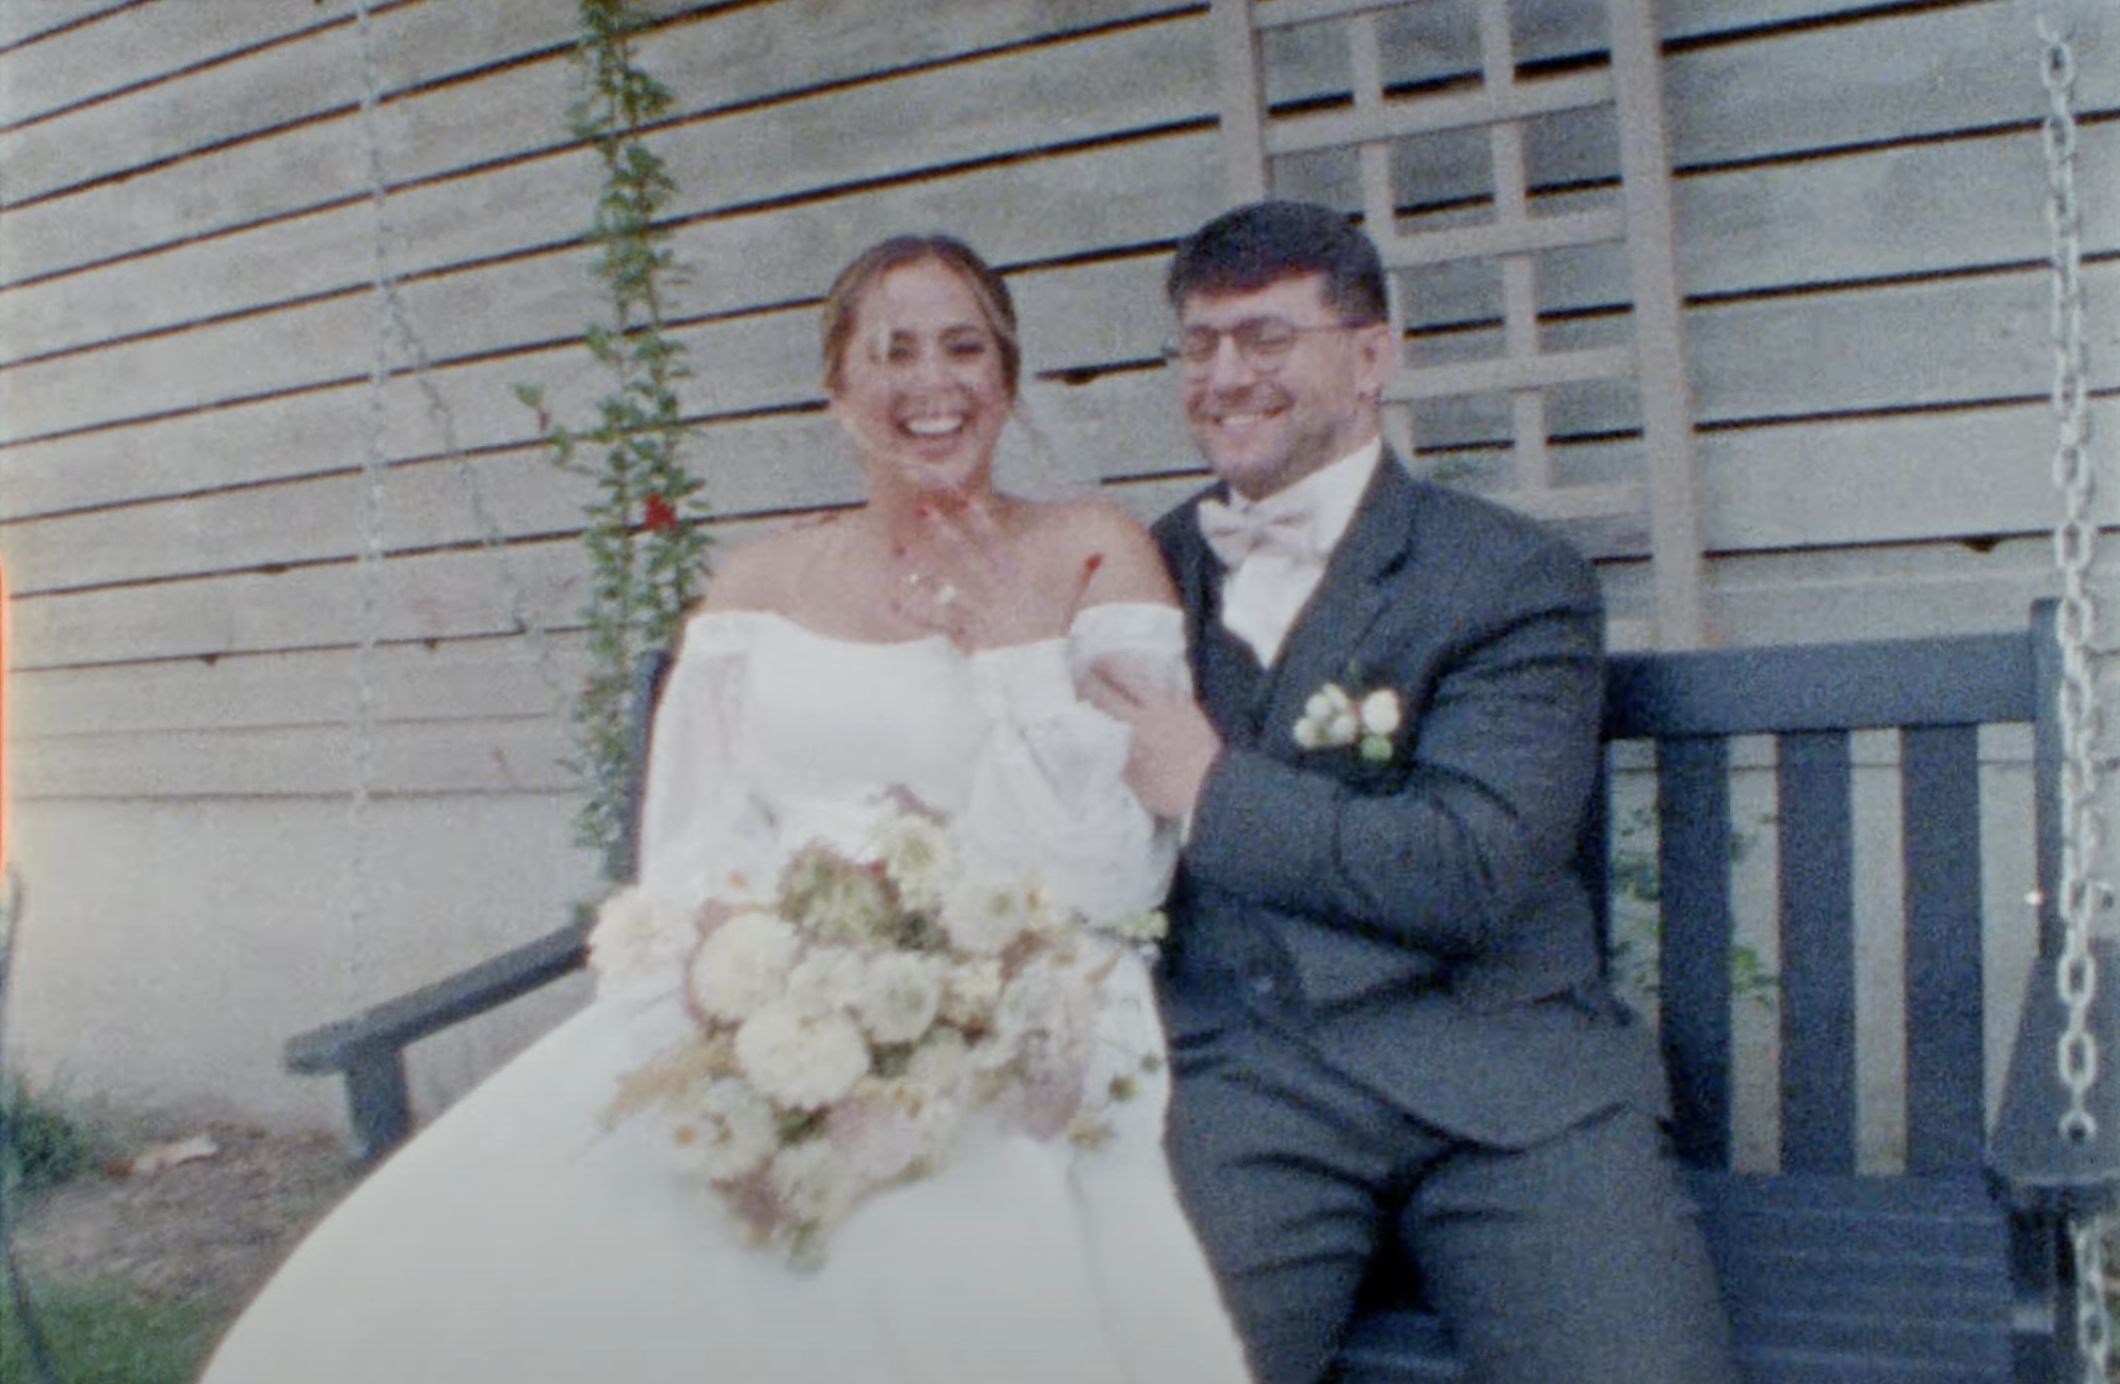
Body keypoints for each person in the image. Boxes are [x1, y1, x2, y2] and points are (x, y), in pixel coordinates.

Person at [196, 234, 1253, 1384]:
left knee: (908, 1250)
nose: (932, 383)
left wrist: (1006, 645)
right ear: (837, 392)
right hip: (772, 1003)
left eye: (964, 347)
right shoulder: (755, 590)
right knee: (560, 1234)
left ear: (1003, 376)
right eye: (891, 352)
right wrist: (743, 990)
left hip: (1028, 1004)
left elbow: (1109, 876)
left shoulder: (1091, 554)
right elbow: (688, 857)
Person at [1083, 201, 1739, 1384]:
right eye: (1197, 343)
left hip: (1504, 1081)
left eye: (1265, 337)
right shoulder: (1139, 570)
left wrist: (1211, 790)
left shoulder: (1506, 575)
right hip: (1245, 1083)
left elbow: (1471, 867)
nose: (1224, 375)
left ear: (1371, 354)